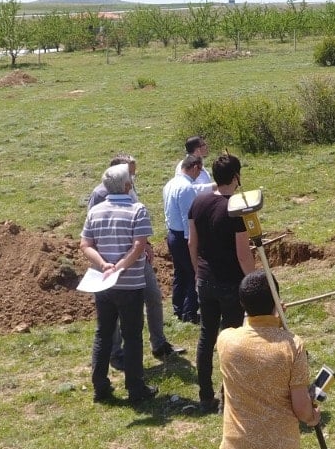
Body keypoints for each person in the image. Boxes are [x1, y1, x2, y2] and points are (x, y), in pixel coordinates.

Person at [208, 269, 319, 449]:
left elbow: (246, 325)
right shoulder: (293, 346)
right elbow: (302, 409)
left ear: (242, 304)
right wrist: (313, 417)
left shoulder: (227, 341)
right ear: (277, 303)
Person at [88, 154, 182, 364]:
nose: (133, 178)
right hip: (110, 263)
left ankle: (159, 344)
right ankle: (116, 352)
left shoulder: (129, 189)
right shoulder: (100, 194)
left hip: (136, 258)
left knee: (153, 296)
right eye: (130, 173)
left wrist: (146, 245)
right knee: (116, 310)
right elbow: (92, 233)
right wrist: (105, 262)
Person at [81, 163, 159, 405]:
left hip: (103, 285)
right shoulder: (138, 210)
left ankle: (100, 386)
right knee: (133, 335)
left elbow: (85, 245)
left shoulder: (95, 212)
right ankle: (136, 388)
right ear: (127, 186)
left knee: (103, 333)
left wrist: (104, 265)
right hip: (130, 284)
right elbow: (139, 246)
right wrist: (121, 266)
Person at [189, 153, 254, 414]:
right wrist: (255, 281)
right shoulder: (236, 209)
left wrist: (197, 272)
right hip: (230, 283)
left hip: (205, 280)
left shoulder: (199, 202)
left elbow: (191, 243)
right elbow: (243, 254)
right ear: (236, 177)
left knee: (207, 336)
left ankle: (205, 395)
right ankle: (229, 396)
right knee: (234, 340)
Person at [162, 154, 204, 325]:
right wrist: (192, 242)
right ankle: (189, 312)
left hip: (172, 234)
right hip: (183, 236)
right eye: (199, 171)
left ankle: (178, 307)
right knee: (193, 273)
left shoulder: (170, 184)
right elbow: (188, 218)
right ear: (194, 167)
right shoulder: (187, 188)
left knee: (180, 273)